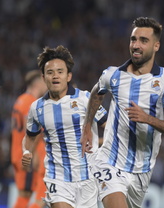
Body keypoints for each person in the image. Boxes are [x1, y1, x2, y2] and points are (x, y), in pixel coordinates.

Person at [80, 17, 164, 208]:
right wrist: (87, 126)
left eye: (143, 41)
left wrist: (147, 119)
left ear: (156, 45)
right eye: (133, 39)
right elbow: (96, 93)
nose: (136, 45)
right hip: (110, 161)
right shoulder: (113, 75)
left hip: (142, 170)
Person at [22, 45, 107, 208]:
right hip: (57, 178)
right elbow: (29, 137)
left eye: (60, 72)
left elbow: (110, 126)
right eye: (50, 72)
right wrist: (27, 151)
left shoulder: (86, 99)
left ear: (68, 76)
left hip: (87, 177)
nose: (55, 76)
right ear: (43, 77)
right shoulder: (36, 108)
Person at [11, 69, 47, 208]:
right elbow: (30, 130)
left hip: (17, 153)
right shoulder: (31, 102)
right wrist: (32, 153)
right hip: (29, 156)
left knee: (25, 195)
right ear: (37, 83)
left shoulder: (19, 101)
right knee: (42, 193)